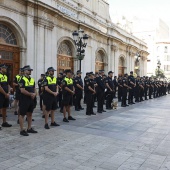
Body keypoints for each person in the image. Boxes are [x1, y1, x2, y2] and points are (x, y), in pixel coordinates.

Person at [18, 65, 37, 136]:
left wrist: (34, 94)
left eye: (30, 70)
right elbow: (22, 90)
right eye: (29, 70)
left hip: (31, 99)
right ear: (25, 71)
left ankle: (29, 128)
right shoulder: (21, 79)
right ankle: (22, 130)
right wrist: (30, 94)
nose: (30, 71)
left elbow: (34, 88)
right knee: (22, 114)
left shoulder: (32, 79)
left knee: (30, 113)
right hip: (24, 99)